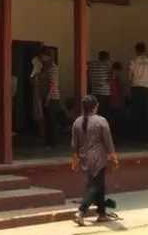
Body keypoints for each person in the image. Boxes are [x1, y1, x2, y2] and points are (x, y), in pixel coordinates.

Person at [71, 95, 119, 225]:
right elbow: (108, 142)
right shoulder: (101, 121)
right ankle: (81, 211)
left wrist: (75, 161)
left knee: (99, 185)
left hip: (85, 158)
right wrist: (114, 157)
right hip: (98, 158)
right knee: (94, 186)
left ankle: (102, 213)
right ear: (95, 107)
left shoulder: (77, 122)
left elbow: (74, 145)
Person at [34, 47, 65, 148]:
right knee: (47, 120)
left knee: (51, 121)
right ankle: (47, 142)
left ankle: (52, 143)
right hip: (45, 96)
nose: (42, 58)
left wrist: (47, 99)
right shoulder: (44, 67)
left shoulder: (52, 67)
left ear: (47, 56)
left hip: (52, 97)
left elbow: (52, 84)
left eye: (43, 56)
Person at [127, 42, 148, 142]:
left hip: (136, 87)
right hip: (147, 88)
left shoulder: (133, 62)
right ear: (144, 50)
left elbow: (130, 77)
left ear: (136, 51)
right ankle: (147, 136)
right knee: (147, 112)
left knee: (136, 112)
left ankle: (137, 136)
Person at [88, 51, 112, 122]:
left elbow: (87, 64)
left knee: (96, 113)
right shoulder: (107, 65)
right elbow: (111, 78)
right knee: (105, 113)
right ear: (106, 58)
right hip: (105, 93)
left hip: (95, 92)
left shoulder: (93, 64)